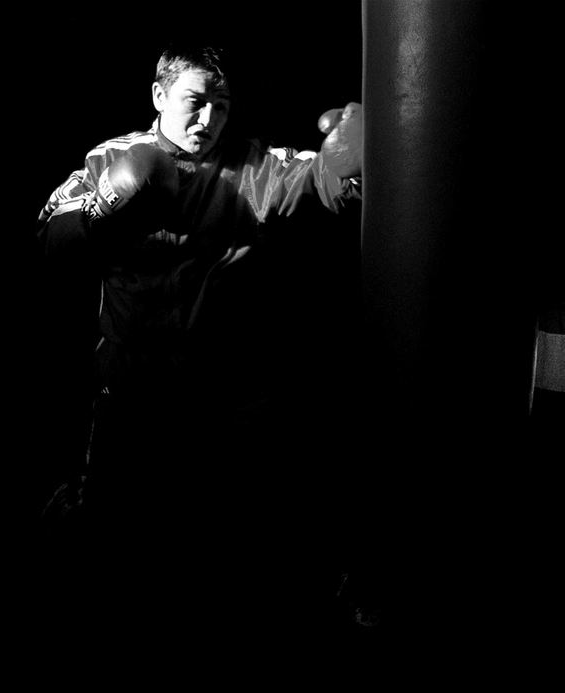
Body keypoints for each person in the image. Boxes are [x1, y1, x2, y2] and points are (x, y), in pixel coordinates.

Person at [35, 43, 363, 635]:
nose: (209, 120)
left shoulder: (254, 166)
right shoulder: (113, 158)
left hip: (228, 391)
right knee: (109, 539)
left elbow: (314, 181)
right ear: (159, 97)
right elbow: (49, 237)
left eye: (222, 105)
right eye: (196, 101)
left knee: (248, 541)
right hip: (133, 387)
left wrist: (350, 165)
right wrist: (104, 207)